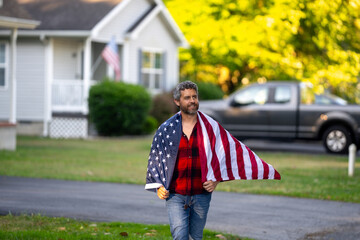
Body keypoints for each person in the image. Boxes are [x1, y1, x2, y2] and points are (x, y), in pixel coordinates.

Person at [145, 81, 281, 240]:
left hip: (201, 194)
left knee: (196, 236)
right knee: (180, 236)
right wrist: (159, 186)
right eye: (187, 98)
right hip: (175, 194)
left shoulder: (211, 127)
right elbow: (156, 158)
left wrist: (216, 180)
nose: (192, 101)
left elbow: (227, 153)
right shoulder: (166, 129)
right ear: (177, 102)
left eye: (194, 97)